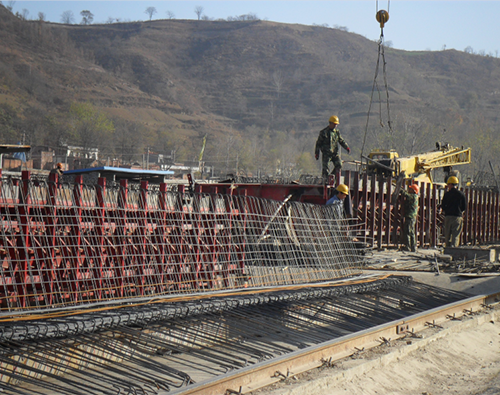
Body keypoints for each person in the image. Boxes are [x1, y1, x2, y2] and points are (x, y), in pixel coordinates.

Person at [315, 115, 351, 183]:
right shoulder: (323, 132)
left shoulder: (336, 132)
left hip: (335, 153)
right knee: (325, 169)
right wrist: (317, 153)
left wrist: (347, 147)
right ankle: (325, 181)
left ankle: (331, 178)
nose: (335, 126)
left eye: (336, 124)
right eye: (334, 124)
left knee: (339, 165)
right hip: (326, 154)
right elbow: (318, 144)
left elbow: (341, 141)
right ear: (330, 123)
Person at [441, 176, 466, 247]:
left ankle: (447, 250)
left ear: (450, 184)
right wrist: (459, 211)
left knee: (447, 235)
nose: (448, 186)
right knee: (455, 235)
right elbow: (464, 207)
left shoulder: (447, 194)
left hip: (448, 216)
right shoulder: (461, 194)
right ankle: (454, 250)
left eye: (448, 184)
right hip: (457, 217)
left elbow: (443, 206)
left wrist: (447, 211)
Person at [400, 184, 419, 252]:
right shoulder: (415, 196)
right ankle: (413, 247)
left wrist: (401, 190)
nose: (409, 190)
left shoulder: (413, 196)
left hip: (410, 216)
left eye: (410, 189)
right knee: (411, 231)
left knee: (408, 231)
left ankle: (408, 246)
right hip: (411, 216)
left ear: (413, 191)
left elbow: (407, 195)